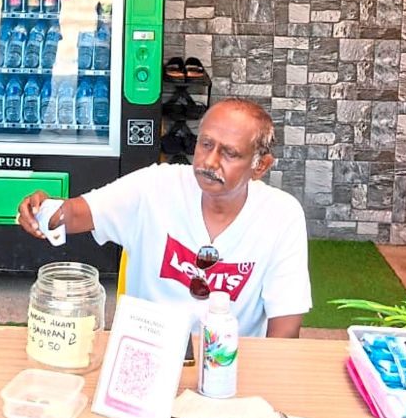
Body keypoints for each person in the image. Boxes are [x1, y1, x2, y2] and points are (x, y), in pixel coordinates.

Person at [17, 97, 310, 338]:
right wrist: (44, 211)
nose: (209, 162)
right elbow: (77, 213)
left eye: (230, 153)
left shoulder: (282, 216)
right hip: (145, 354)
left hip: (229, 363)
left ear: (260, 166)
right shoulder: (155, 186)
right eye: (205, 144)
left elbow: (285, 327)